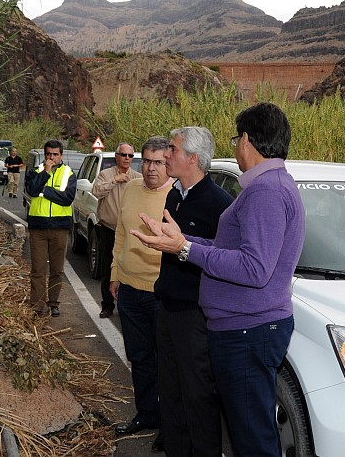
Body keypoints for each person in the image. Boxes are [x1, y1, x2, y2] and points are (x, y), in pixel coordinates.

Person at [133, 103, 304, 457]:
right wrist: (185, 242)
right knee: (248, 430)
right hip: (245, 328)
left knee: (252, 437)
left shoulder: (266, 192)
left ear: (246, 140)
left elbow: (255, 268)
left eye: (236, 139)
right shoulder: (269, 187)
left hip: (247, 331)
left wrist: (185, 249)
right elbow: (231, 248)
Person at [150, 127, 232, 456]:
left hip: (195, 316)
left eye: (172, 150)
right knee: (170, 391)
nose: (166, 155)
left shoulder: (219, 205)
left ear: (193, 159)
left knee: (197, 394)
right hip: (167, 308)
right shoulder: (174, 196)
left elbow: (224, 260)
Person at [109, 136, 174, 451]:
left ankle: (168, 424)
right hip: (129, 288)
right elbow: (121, 232)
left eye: (158, 162)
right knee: (139, 357)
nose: (150, 168)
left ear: (169, 163)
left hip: (160, 294)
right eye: (146, 161)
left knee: (165, 363)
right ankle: (147, 414)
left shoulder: (175, 197)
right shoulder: (132, 189)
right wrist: (114, 274)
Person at [25, 139, 77, 318]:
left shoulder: (69, 173)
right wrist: (45, 174)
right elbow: (32, 190)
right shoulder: (36, 171)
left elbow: (67, 198)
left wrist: (44, 191)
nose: (51, 157)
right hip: (38, 227)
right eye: (48, 154)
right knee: (38, 269)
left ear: (61, 155)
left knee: (57, 269)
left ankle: (53, 303)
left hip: (60, 227)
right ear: (44, 155)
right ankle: (37, 305)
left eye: (55, 154)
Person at [92, 142, 141, 318]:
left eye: (130, 156)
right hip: (108, 229)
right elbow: (96, 191)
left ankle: (127, 305)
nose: (127, 158)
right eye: (124, 155)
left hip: (130, 232)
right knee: (107, 269)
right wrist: (114, 181)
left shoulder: (137, 178)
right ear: (117, 156)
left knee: (129, 268)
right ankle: (107, 306)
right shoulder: (106, 175)